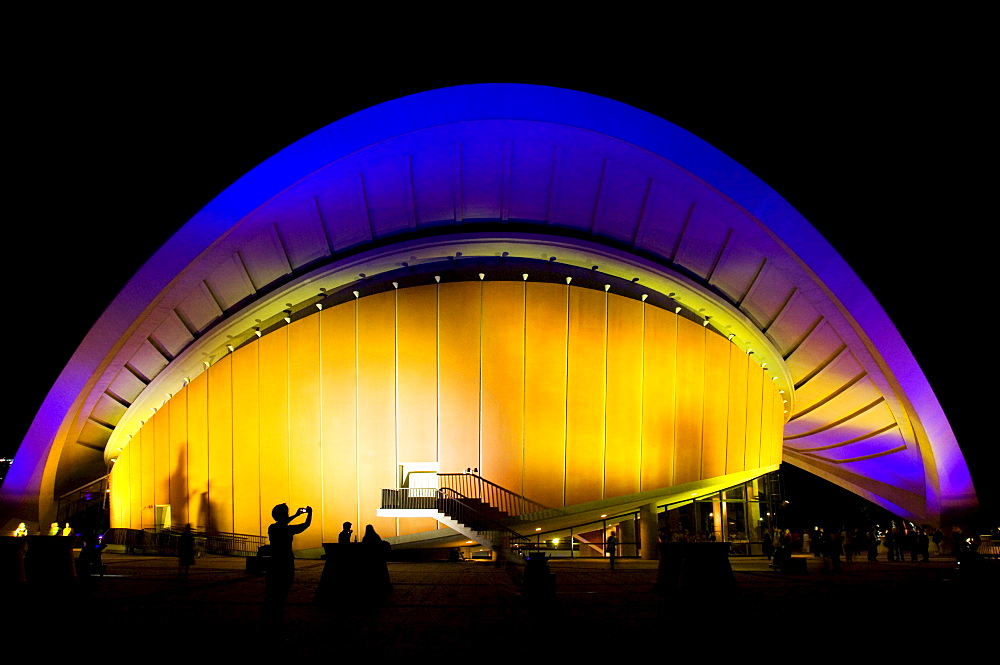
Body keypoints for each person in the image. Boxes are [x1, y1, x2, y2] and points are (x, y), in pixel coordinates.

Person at [263, 503, 312, 626]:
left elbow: (282, 522)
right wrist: (309, 514)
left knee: (271, 590)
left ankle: (267, 615)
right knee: (283, 591)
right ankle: (277, 616)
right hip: (286, 562)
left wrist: (295, 515)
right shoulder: (288, 529)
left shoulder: (272, 528)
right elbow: (306, 525)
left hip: (274, 562)